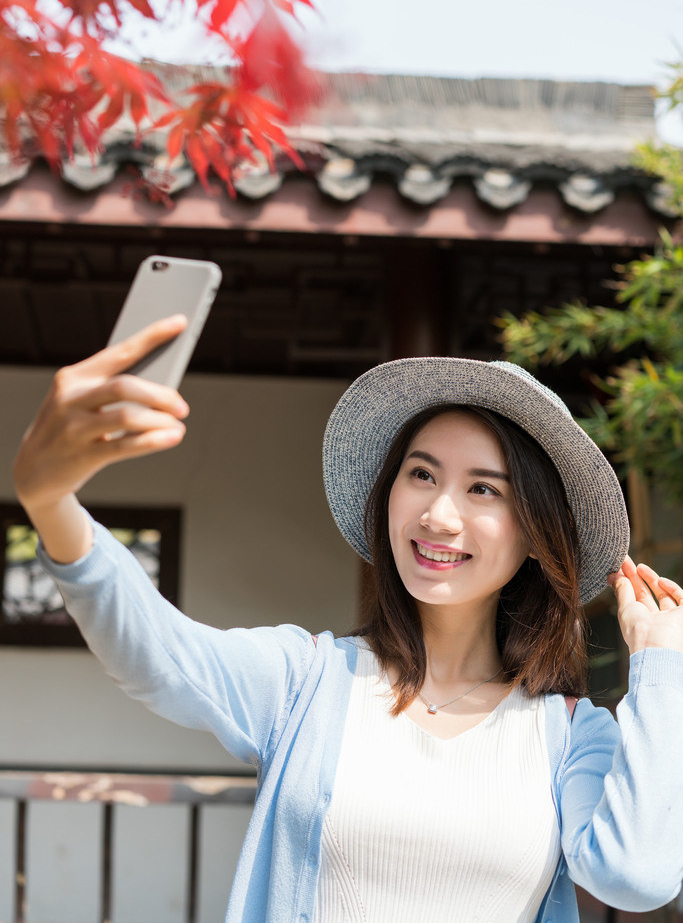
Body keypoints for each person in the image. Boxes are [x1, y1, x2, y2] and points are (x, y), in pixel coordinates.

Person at [13, 316, 683, 923]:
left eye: (483, 488)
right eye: (420, 474)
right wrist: (51, 501)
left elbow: (635, 876)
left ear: (536, 533)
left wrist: (662, 665)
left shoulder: (568, 735)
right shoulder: (309, 681)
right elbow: (157, 655)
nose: (437, 514)